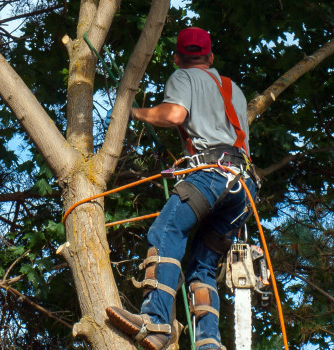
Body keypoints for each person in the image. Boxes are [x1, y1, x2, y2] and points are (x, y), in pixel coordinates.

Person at [105, 27, 257, 350]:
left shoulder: (183, 77)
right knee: (202, 266)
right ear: (211, 57)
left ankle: (157, 322)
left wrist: (137, 112)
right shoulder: (234, 90)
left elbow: (175, 114)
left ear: (177, 58)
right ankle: (208, 344)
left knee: (166, 231)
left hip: (212, 175)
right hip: (244, 188)